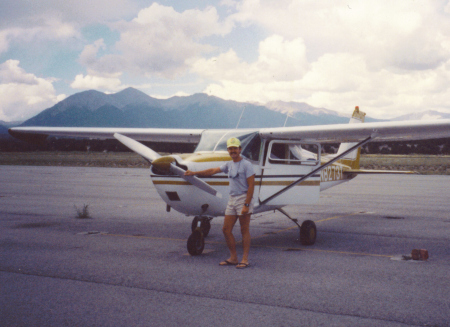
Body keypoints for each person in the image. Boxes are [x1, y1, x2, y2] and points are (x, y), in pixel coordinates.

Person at [184, 137, 255, 269]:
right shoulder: (229, 165)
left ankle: (245, 259)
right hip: (232, 199)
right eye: (230, 148)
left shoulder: (247, 165)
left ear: (240, 149)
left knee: (244, 230)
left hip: (243, 199)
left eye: (235, 148)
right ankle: (233, 258)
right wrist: (194, 173)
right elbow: (213, 171)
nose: (233, 150)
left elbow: (251, 186)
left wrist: (246, 204)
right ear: (228, 150)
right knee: (226, 230)